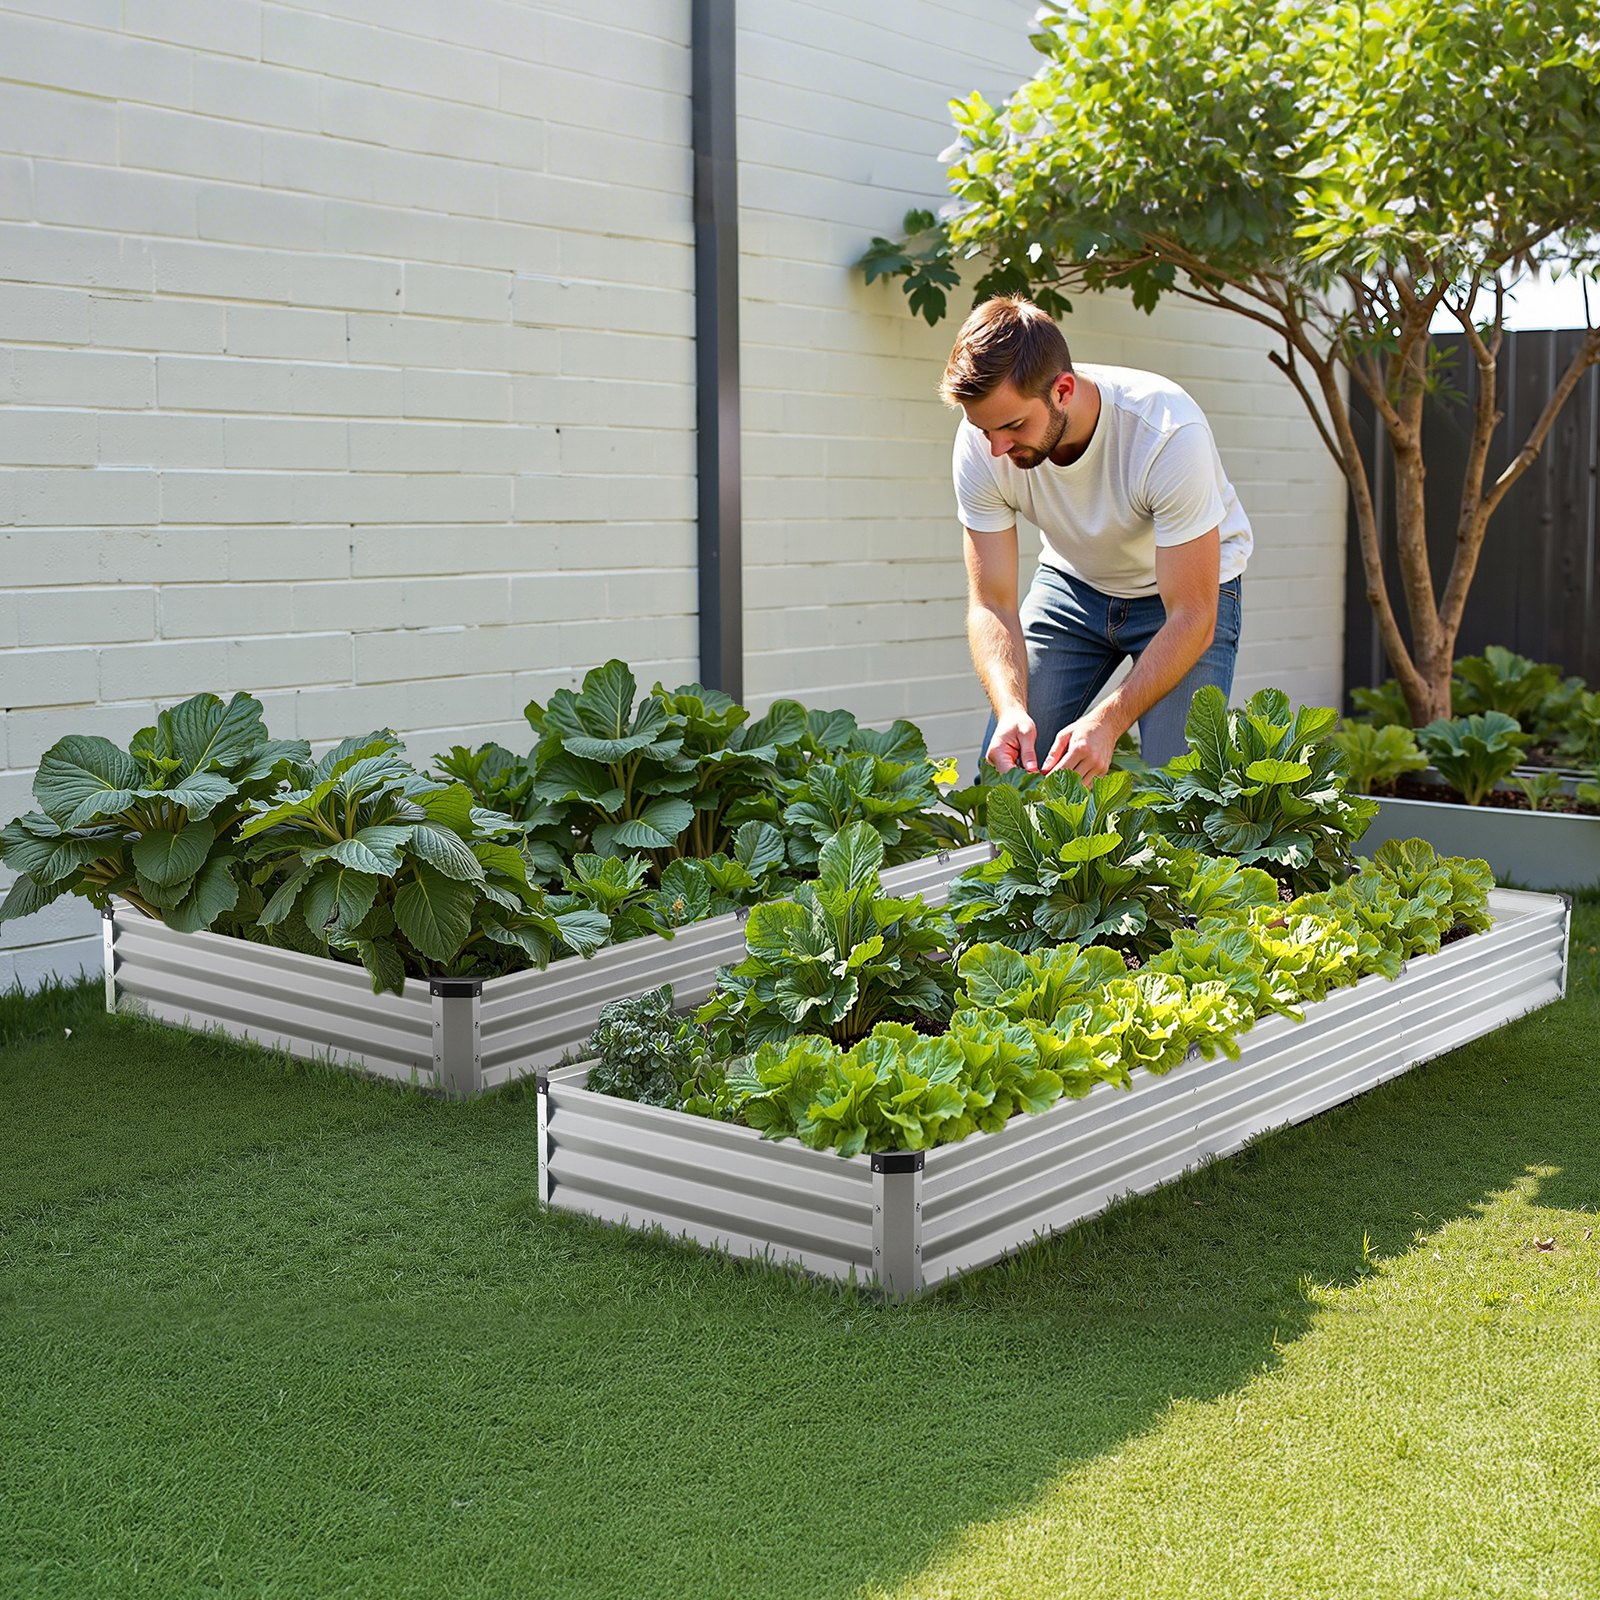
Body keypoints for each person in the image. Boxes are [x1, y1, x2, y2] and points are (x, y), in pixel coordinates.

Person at [942, 294, 1252, 778]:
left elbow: (1194, 615)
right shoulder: (983, 443)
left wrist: (1108, 721)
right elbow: (992, 603)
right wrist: (1010, 707)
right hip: (1072, 586)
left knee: (1180, 792)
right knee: (1009, 773)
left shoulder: (1165, 432)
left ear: (1062, 390)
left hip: (1178, 602)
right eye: (984, 429)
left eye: (1013, 426)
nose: (997, 447)